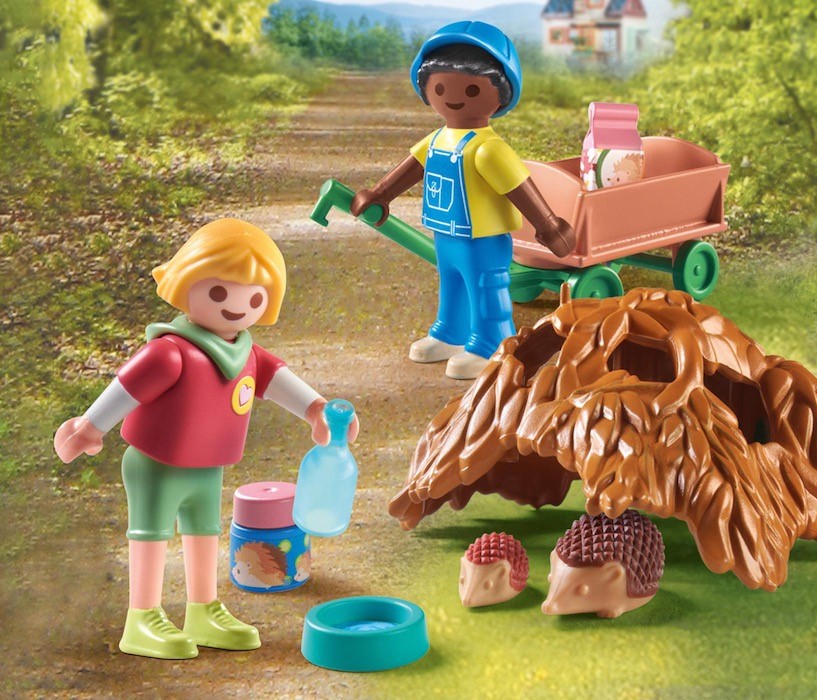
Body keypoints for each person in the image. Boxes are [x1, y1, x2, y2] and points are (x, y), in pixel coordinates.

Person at [53, 218, 359, 660]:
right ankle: (142, 617)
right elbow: (126, 388)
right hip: (157, 463)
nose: (236, 306)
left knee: (204, 531)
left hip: (208, 464)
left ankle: (203, 609)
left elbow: (280, 382)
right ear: (186, 284)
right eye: (218, 292)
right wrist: (88, 427)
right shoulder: (170, 352)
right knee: (151, 534)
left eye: (253, 297)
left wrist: (317, 409)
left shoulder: (247, 354)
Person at [351, 21, 577, 380]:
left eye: (473, 89)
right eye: (439, 87)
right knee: (452, 282)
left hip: (482, 239)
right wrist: (381, 193)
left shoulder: (489, 149)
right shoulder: (438, 139)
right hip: (446, 232)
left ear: (502, 94)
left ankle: (491, 342)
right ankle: (450, 333)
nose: (452, 96)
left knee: (486, 287)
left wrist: (548, 224)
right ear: (426, 89)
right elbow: (413, 167)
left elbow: (520, 187)